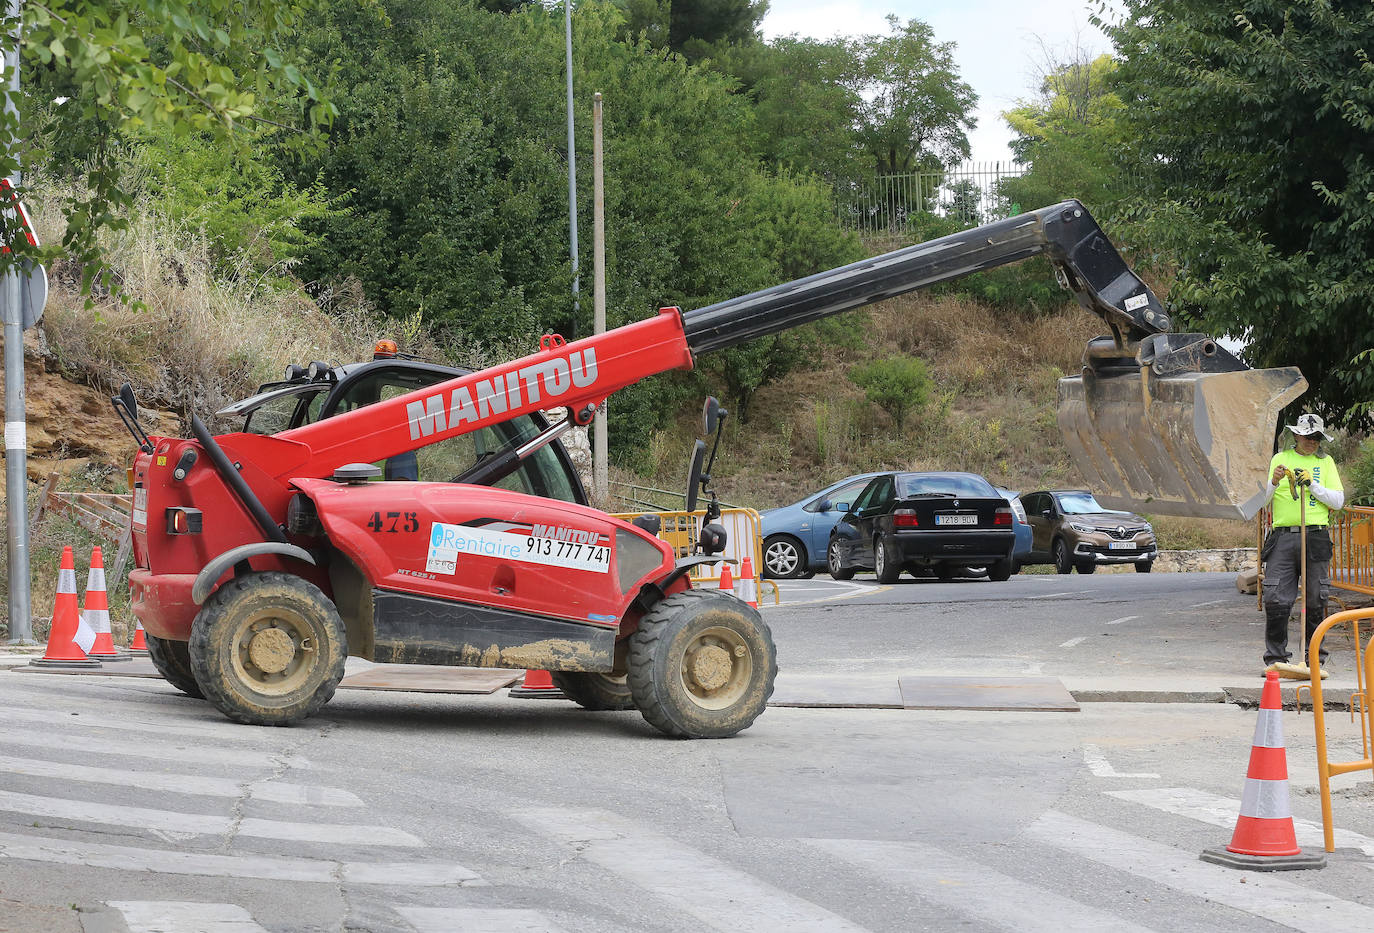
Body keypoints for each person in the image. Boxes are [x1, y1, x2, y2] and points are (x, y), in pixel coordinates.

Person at [1262, 413, 1344, 672]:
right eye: (1308, 437)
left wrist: (1313, 484)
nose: (1312, 442)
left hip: (1316, 536)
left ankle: (1314, 661)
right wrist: (1274, 481)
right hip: (1283, 536)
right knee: (1276, 598)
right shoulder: (1281, 459)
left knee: (1316, 599)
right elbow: (1261, 501)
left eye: (1317, 438)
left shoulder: (1327, 462)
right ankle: (1276, 660)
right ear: (1296, 435)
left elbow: (1338, 501)